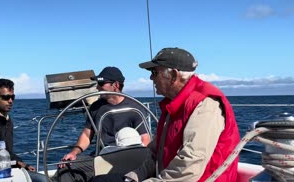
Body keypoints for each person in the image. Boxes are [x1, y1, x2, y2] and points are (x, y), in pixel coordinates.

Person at [94, 47, 240, 182]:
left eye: (155, 73)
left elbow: (190, 165)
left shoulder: (205, 104)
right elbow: (154, 153)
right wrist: (133, 177)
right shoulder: (174, 105)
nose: (151, 79)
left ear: (173, 75)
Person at [56, 66, 151, 182]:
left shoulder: (135, 108)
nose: (97, 87)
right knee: (66, 168)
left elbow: (145, 140)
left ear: (116, 85)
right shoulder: (96, 108)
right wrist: (73, 152)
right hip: (102, 156)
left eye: (101, 83)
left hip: (127, 156)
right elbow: (87, 135)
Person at [0, 78, 47, 182]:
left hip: (4, 170)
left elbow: (5, 151)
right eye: (6, 97)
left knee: (43, 179)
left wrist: (21, 163)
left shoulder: (6, 120)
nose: (10, 101)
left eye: (12, 97)